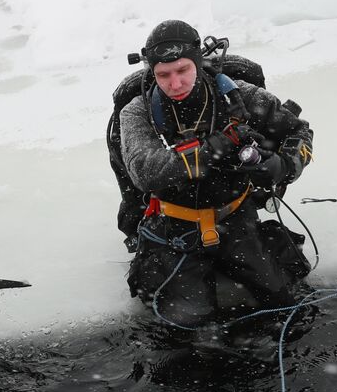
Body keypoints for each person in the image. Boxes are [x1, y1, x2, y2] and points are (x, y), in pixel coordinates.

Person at [114, 20, 316, 327]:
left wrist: (283, 166)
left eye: (183, 70)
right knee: (186, 325)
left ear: (198, 63)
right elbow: (146, 172)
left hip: (235, 219)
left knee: (283, 306)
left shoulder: (240, 97)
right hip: (173, 227)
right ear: (151, 73)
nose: (175, 83)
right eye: (163, 75)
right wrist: (213, 149)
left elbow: (300, 132)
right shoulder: (137, 111)